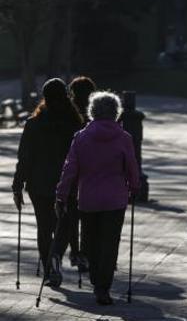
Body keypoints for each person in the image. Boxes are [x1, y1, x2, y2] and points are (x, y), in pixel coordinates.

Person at [55, 91, 140, 305]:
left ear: (92, 111)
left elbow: (70, 169)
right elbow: (132, 167)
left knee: (90, 241)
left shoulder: (81, 137)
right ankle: (103, 286)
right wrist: (134, 187)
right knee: (110, 243)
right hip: (115, 199)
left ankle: (95, 277)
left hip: (89, 199)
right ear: (116, 112)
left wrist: (61, 195)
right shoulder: (124, 138)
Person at [12, 78, 83, 287]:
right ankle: (56, 257)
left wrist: (17, 186)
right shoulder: (75, 124)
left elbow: (24, 157)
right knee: (64, 225)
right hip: (67, 184)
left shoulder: (34, 124)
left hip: (38, 184)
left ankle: (50, 269)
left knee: (44, 227)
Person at [65, 75, 97, 273]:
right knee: (87, 216)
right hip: (90, 172)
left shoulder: (69, 112)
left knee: (71, 216)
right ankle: (85, 253)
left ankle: (75, 251)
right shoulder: (94, 113)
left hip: (71, 170)